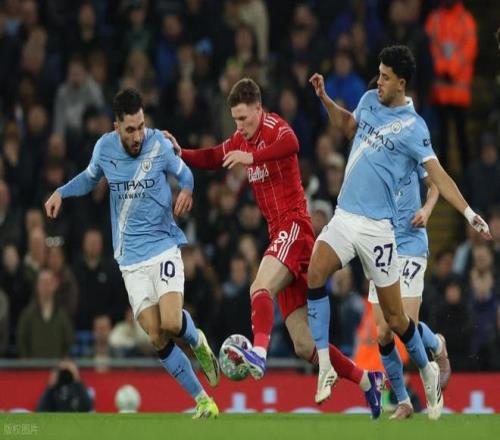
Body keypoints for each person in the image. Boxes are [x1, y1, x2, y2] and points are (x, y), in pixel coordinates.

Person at [166, 77, 385, 418]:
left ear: (258, 108)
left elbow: (293, 143)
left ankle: (259, 353)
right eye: (235, 120)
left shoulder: (274, 127)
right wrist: (183, 153)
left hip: (295, 226)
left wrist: (251, 156)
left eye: (244, 118)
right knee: (304, 344)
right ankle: (367, 380)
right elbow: (214, 156)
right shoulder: (242, 139)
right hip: (280, 235)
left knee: (259, 287)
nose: (240, 126)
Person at [307, 45, 491, 420]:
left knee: (400, 320)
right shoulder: (368, 102)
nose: (378, 82)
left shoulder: (414, 131)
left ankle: (433, 353)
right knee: (382, 331)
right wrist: (325, 99)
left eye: (385, 77)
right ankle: (403, 400)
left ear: (401, 83)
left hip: (404, 238)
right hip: (370, 226)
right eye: (379, 74)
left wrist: (464, 212)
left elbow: (437, 179)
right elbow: (348, 126)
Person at [44, 88, 220, 419]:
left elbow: (185, 173)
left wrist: (187, 189)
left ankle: (198, 342)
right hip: (130, 260)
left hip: (163, 246)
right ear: (116, 127)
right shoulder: (105, 148)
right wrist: (61, 193)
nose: (138, 135)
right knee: (156, 335)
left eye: (141, 126)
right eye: (130, 129)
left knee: (171, 322)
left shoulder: (159, 143)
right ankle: (203, 400)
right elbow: (89, 178)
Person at [367, 166, 451, 419]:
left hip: (411, 245)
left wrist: (427, 210)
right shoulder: (371, 159)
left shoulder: (411, 150)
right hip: (382, 247)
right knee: (383, 333)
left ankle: (437, 344)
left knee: (405, 324)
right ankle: (404, 401)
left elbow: (435, 185)